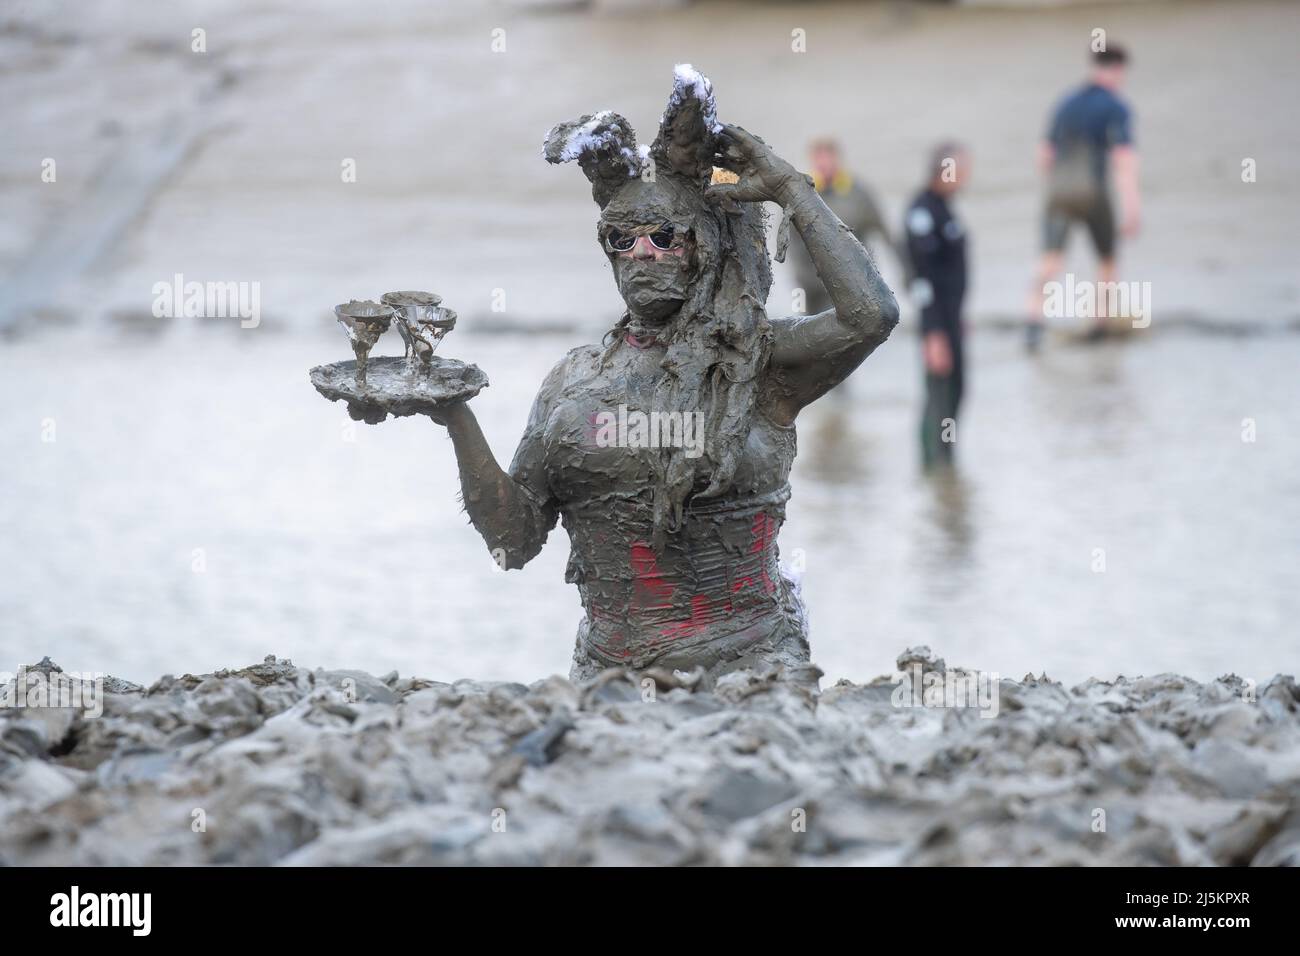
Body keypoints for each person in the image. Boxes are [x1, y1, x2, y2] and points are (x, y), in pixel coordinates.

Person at [407, 67, 898, 691]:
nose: (642, 251)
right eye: (622, 238)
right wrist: (454, 414)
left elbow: (872, 314)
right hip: (607, 678)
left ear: (704, 246)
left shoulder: (760, 361)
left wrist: (790, 189)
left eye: (665, 235)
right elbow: (516, 539)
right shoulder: (574, 381)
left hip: (748, 670)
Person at [1028, 44, 1140, 349]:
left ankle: (1033, 322)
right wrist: (1132, 208)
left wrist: (1055, 188)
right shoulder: (1116, 107)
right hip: (1093, 191)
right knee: (1106, 260)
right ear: (1117, 69)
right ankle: (1098, 325)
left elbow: (1044, 155)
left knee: (1050, 259)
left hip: (1059, 190)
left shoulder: (1066, 104)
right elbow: (1124, 160)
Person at [904, 142, 970, 470]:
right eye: (961, 168)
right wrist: (932, 333)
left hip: (951, 320)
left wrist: (959, 318)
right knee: (939, 393)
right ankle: (932, 465)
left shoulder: (945, 208)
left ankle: (947, 461)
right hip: (937, 325)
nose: (966, 176)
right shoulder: (921, 211)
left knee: (958, 389)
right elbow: (921, 280)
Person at [785, 138, 891, 317]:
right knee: (812, 335)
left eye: (828, 160)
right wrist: (800, 277)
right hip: (813, 286)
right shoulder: (801, 194)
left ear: (837, 160)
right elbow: (790, 242)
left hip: (855, 284)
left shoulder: (858, 194)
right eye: (819, 160)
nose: (824, 165)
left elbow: (884, 232)